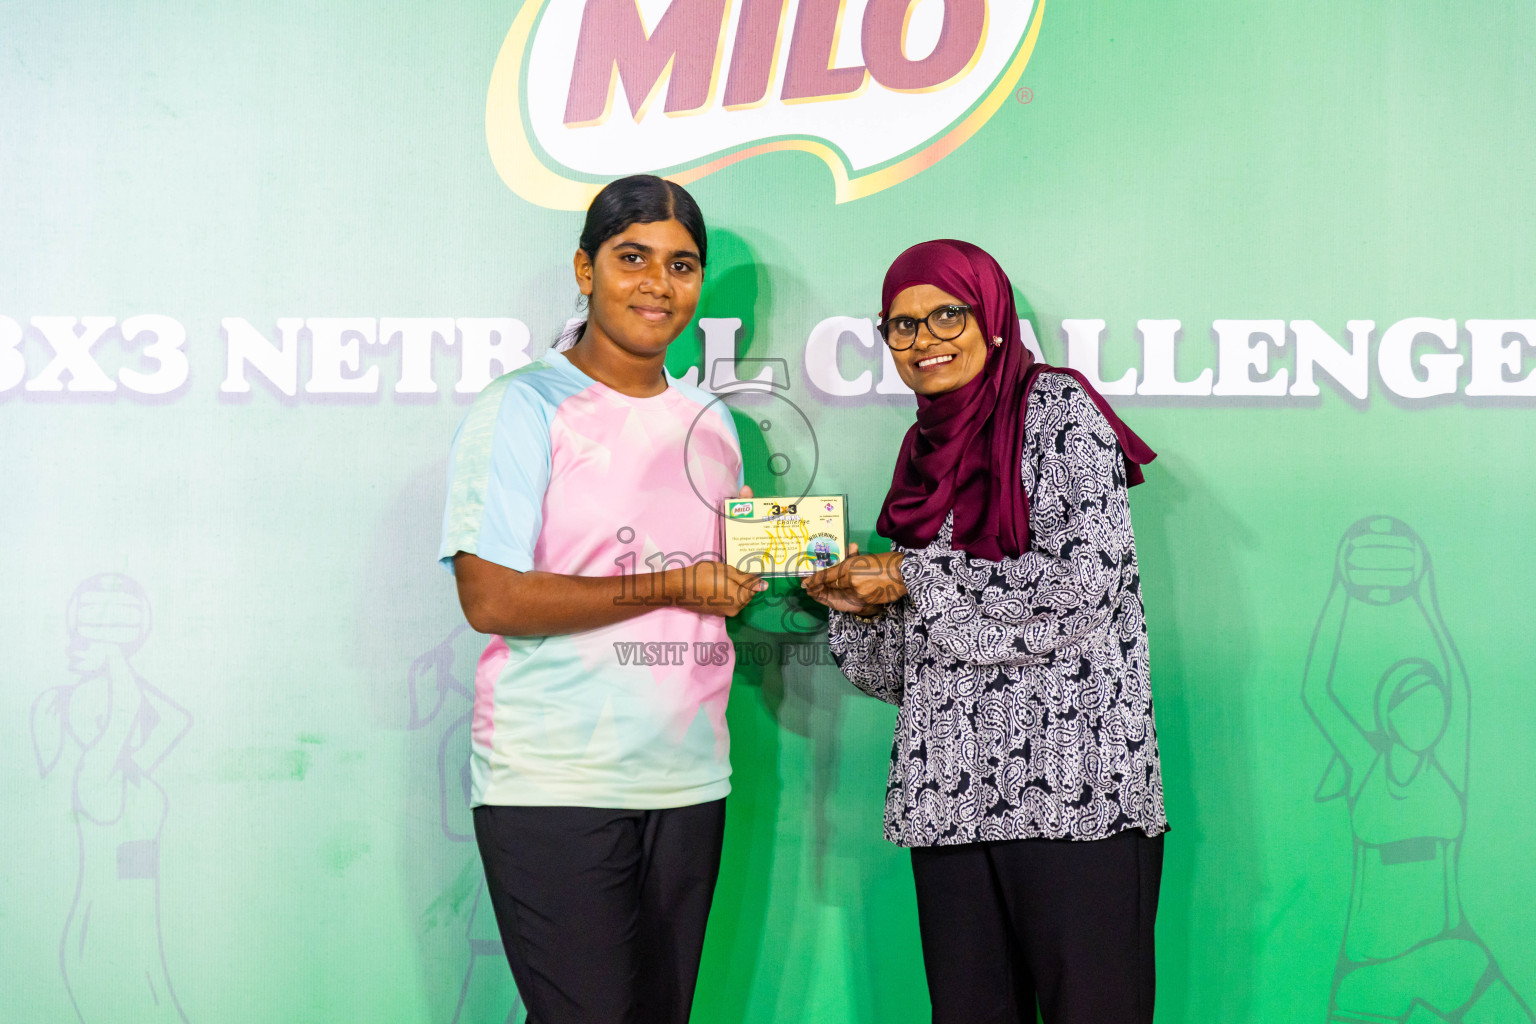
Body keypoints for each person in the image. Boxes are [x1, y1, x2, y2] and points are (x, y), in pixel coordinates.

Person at [801, 239, 1168, 1024]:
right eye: (901, 326)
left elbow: (1085, 587)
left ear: (992, 318)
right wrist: (855, 605)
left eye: (946, 314)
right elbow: (910, 669)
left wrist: (912, 579)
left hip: (1076, 796)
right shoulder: (922, 451)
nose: (924, 338)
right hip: (952, 801)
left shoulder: (1058, 410)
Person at [438, 174, 765, 1024]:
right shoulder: (523, 406)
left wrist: (813, 586)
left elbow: (727, 585)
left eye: (682, 264)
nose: (659, 284)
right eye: (632, 258)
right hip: (554, 779)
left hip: (690, 777)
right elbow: (491, 596)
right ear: (584, 270)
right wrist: (668, 585)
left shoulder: (713, 422)